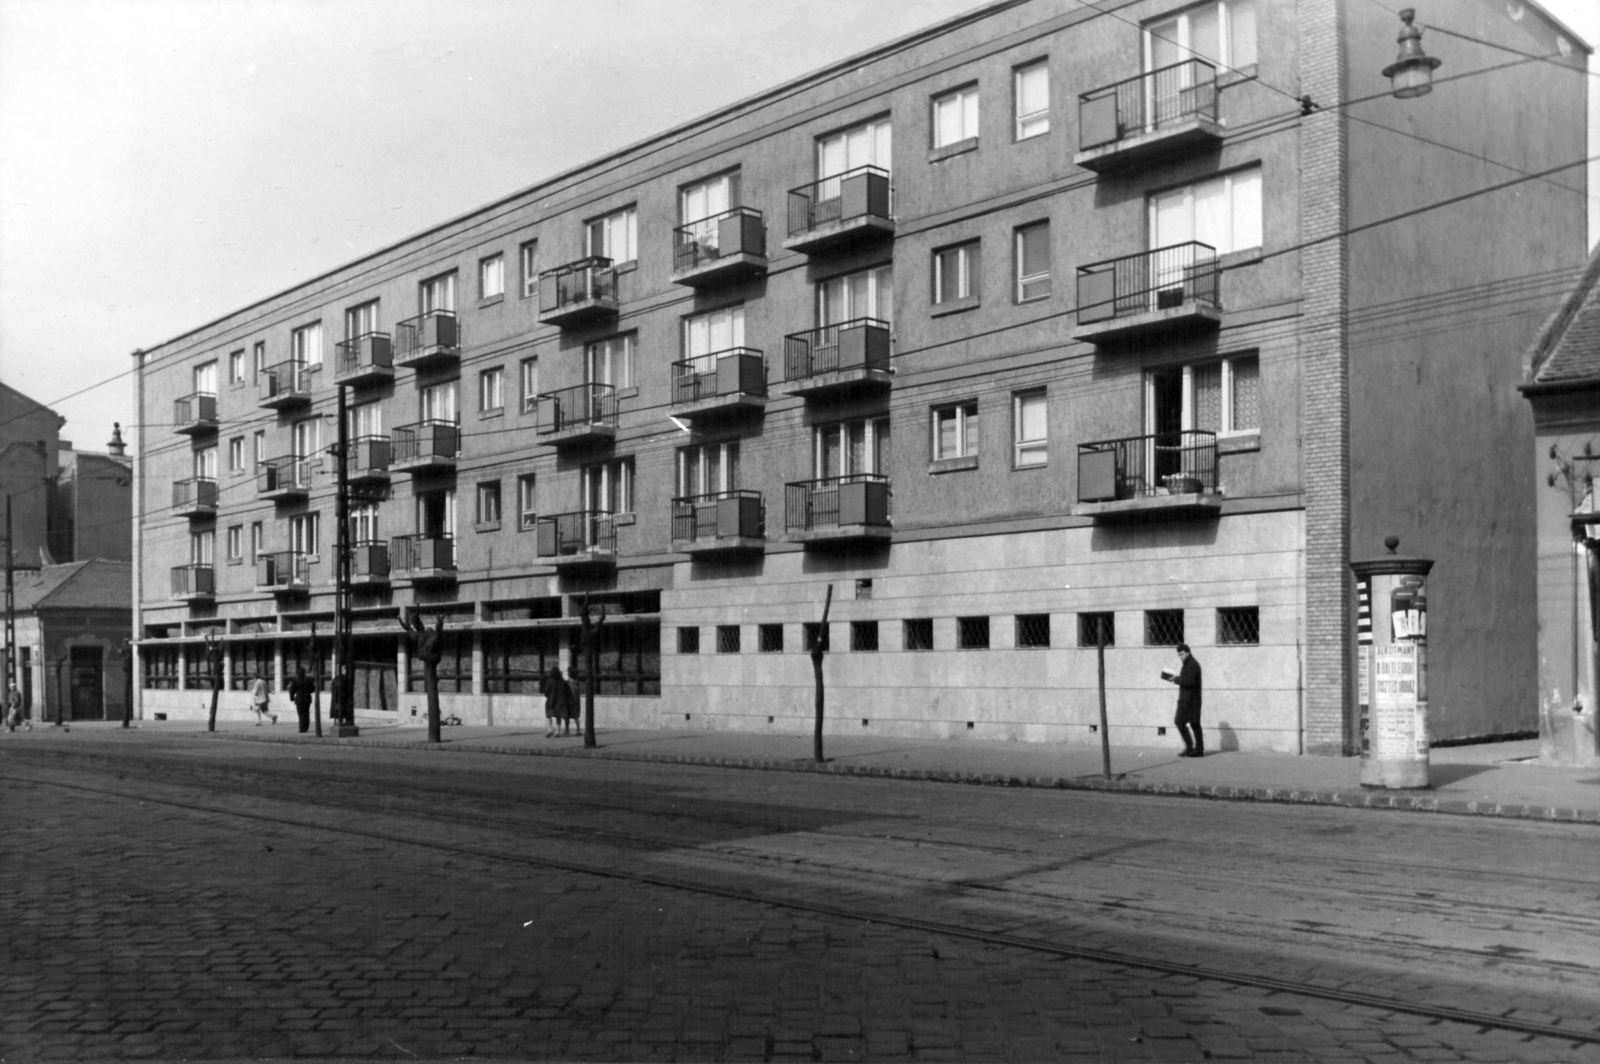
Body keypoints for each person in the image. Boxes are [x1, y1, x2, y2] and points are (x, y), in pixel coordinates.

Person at [1165, 644, 1204, 757]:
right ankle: (1192, 747)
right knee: (1188, 723)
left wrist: (1175, 679)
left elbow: (1189, 681)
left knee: (1191, 723)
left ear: (1187, 652)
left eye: (1181, 654)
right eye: (1178, 655)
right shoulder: (1189, 664)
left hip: (1191, 700)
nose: (1180, 657)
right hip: (1188, 700)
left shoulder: (1192, 664)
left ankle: (1196, 749)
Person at [286, 667, 314, 733]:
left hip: (299, 699)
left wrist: (292, 698)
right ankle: (306, 727)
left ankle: (302, 728)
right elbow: (313, 689)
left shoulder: (295, 680)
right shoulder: (308, 680)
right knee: (306, 714)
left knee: (301, 714)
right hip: (307, 698)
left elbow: (292, 690)